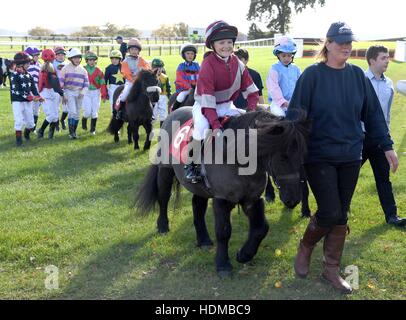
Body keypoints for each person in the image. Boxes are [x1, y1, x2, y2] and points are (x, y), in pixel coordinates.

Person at [289, 22, 398, 294]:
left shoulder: (357, 77)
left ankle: (331, 270)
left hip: (350, 154)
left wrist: (387, 146)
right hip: (318, 155)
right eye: (340, 42)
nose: (346, 46)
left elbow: (372, 114)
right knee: (329, 211)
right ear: (327, 43)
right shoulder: (312, 76)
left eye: (349, 42)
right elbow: (296, 116)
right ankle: (306, 246)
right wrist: (290, 150)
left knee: (341, 215)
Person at [185, 20, 259, 183]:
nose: (226, 46)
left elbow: (252, 91)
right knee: (203, 128)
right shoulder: (207, 65)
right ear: (212, 45)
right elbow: (208, 101)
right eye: (221, 42)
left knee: (249, 125)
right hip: (204, 106)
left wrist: (251, 111)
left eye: (229, 42)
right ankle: (192, 164)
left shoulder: (238, 63)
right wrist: (216, 125)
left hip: (227, 106)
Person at [363, 45, 405, 227]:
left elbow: (386, 115)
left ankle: (391, 216)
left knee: (383, 178)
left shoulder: (389, 84)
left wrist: (387, 138)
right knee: (348, 178)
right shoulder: (360, 80)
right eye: (383, 58)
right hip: (360, 137)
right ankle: (338, 215)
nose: (387, 60)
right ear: (372, 60)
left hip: (380, 140)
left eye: (388, 57)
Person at [10, 52, 44, 146]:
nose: (29, 65)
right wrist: (29, 97)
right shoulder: (14, 75)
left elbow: (33, 88)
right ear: (21, 64)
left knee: (31, 123)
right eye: (27, 63)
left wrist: (38, 96)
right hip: (17, 101)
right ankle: (18, 139)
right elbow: (15, 90)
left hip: (28, 101)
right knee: (19, 120)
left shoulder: (29, 75)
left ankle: (26, 133)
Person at [266, 36, 301, 117]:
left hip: (293, 102)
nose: (286, 58)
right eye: (283, 55)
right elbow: (273, 87)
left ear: (292, 55)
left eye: (289, 55)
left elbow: (301, 85)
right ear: (278, 55)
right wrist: (282, 102)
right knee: (280, 117)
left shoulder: (296, 69)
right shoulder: (274, 68)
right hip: (278, 103)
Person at [60, 48, 89, 139]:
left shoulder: (83, 70)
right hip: (69, 91)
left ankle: (74, 131)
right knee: (72, 111)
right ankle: (71, 133)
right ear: (70, 58)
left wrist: (83, 92)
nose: (77, 60)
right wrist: (63, 94)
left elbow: (87, 83)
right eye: (75, 58)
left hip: (79, 93)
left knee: (77, 113)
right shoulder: (65, 68)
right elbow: (61, 83)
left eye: (79, 58)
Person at [114, 38, 150, 109]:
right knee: (124, 95)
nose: (134, 51)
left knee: (150, 94)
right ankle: (119, 110)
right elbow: (126, 73)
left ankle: (151, 113)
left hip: (141, 82)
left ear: (138, 51)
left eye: (136, 49)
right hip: (130, 82)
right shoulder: (125, 61)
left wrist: (143, 71)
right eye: (132, 49)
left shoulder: (141, 60)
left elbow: (147, 68)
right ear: (129, 50)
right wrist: (135, 80)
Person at [37, 49, 64, 139]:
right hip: (47, 93)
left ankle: (50, 135)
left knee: (55, 115)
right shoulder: (49, 69)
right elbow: (55, 84)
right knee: (52, 115)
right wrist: (62, 94)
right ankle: (41, 130)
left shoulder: (44, 68)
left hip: (49, 92)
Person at [83, 51, 107, 135]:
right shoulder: (83, 69)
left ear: (95, 61)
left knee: (94, 112)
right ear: (86, 61)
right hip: (86, 92)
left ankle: (92, 129)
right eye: (90, 60)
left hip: (96, 92)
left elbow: (103, 84)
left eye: (93, 60)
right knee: (87, 112)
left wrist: (104, 95)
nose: (92, 62)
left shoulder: (99, 71)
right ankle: (84, 119)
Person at [173, 43, 200, 110]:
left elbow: (201, 76)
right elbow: (180, 79)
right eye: (188, 53)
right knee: (180, 97)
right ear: (183, 55)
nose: (190, 55)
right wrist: (189, 87)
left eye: (192, 54)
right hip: (186, 89)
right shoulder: (181, 66)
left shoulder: (197, 65)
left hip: (197, 88)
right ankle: (174, 110)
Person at [25, 46, 42, 130]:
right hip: (28, 90)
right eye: (36, 55)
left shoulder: (39, 65)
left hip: (37, 90)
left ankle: (33, 128)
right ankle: (28, 127)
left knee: (36, 110)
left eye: (38, 54)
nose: (38, 56)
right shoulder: (26, 67)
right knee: (29, 110)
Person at [151, 58, 171, 127]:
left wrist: (169, 97)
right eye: (156, 67)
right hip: (154, 98)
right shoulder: (150, 77)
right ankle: (150, 129)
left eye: (160, 67)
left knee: (163, 114)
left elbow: (168, 88)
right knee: (154, 115)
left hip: (163, 97)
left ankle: (162, 130)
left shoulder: (165, 77)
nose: (158, 69)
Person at [53, 46, 68, 131]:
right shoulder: (53, 64)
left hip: (65, 88)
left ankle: (62, 120)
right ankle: (57, 123)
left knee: (66, 108)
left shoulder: (67, 64)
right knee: (56, 107)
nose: (61, 56)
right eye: (59, 54)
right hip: (56, 88)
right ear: (55, 55)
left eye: (62, 54)